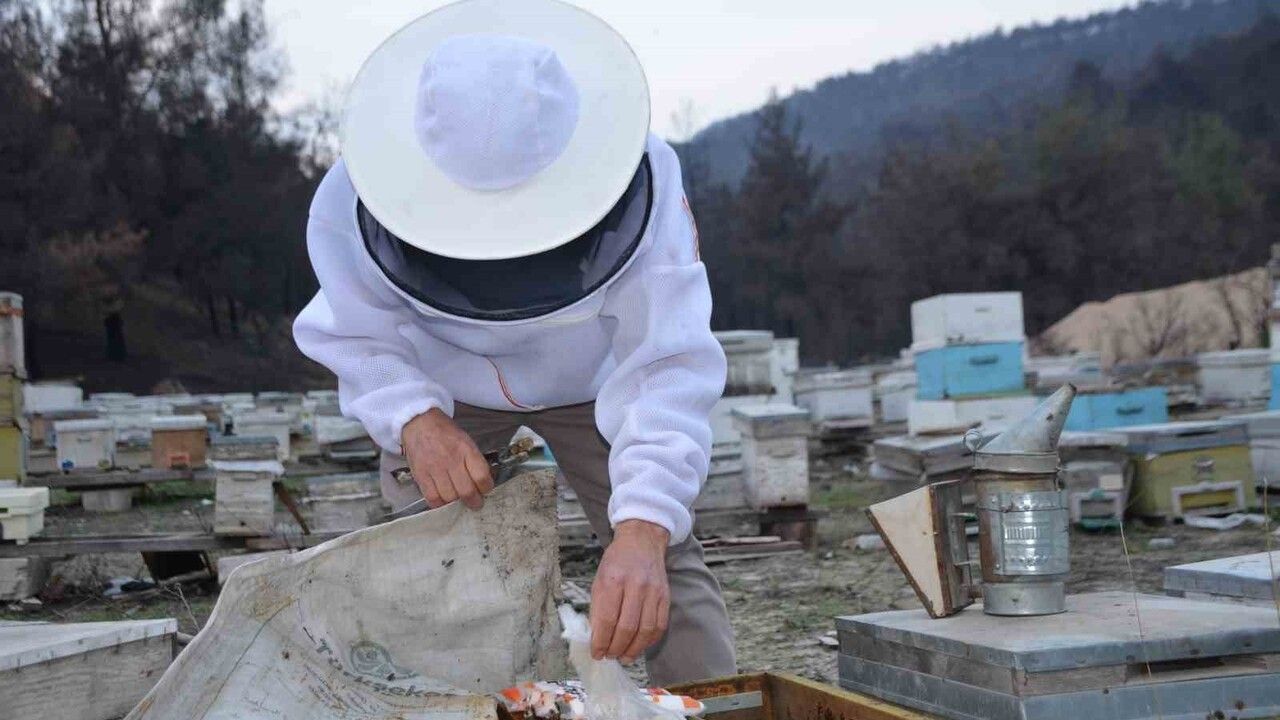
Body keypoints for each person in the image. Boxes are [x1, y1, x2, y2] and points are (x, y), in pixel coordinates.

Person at [292, 0, 736, 686]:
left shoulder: (648, 177)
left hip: (596, 381)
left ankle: (709, 700)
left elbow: (668, 361)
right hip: (446, 391)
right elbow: (354, 332)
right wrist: (412, 417)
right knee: (423, 564)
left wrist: (645, 528)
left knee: (664, 559)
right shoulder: (351, 199)